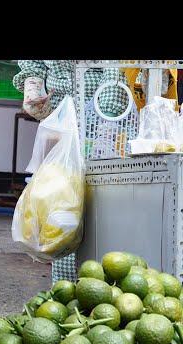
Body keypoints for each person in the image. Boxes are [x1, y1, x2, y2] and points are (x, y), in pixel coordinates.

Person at [13, 60, 133, 284]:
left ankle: (101, 285)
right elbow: (34, 65)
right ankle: (66, 289)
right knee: (64, 206)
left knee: (102, 210)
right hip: (62, 125)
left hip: (104, 128)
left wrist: (104, 123)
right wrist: (34, 88)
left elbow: (114, 74)